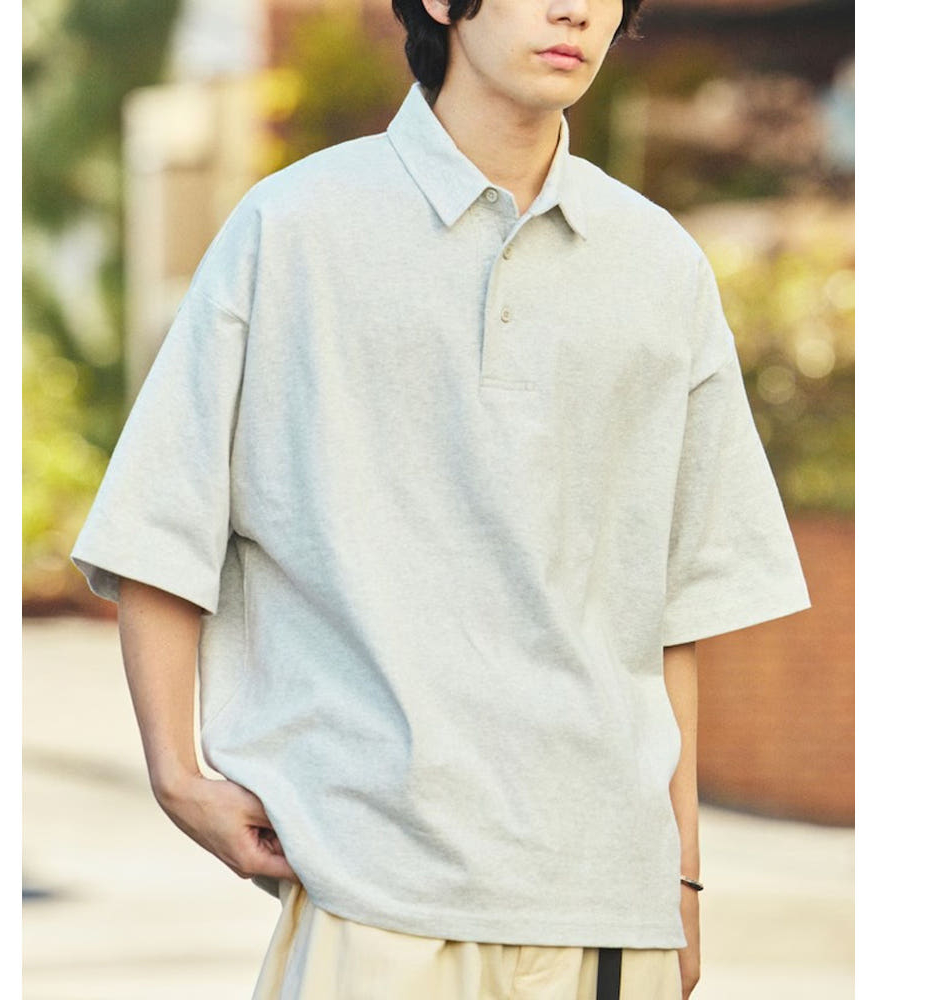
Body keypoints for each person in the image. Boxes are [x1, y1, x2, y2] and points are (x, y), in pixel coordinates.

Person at [72, 1, 811, 997]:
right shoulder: (294, 228)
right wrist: (175, 774)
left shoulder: (659, 264)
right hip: (371, 893)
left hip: (602, 904)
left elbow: (667, 607)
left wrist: (678, 877)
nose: (575, 9)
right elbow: (162, 521)